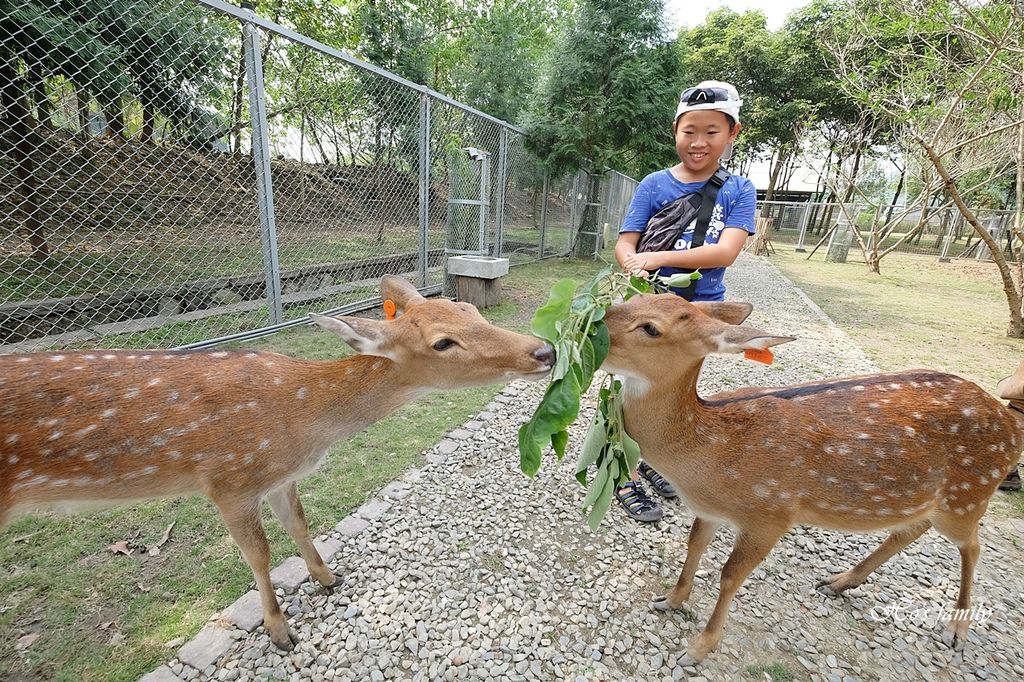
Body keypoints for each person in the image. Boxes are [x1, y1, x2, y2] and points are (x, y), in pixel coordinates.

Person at [612, 80, 757, 522]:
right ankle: (622, 474)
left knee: (676, 394)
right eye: (688, 130)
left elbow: (726, 251)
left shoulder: (738, 189)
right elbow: (625, 243)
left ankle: (650, 460)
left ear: (732, 133)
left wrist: (655, 256)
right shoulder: (655, 184)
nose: (698, 142)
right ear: (675, 131)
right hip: (646, 311)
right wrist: (632, 264)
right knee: (626, 392)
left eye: (711, 131)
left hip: (698, 313)